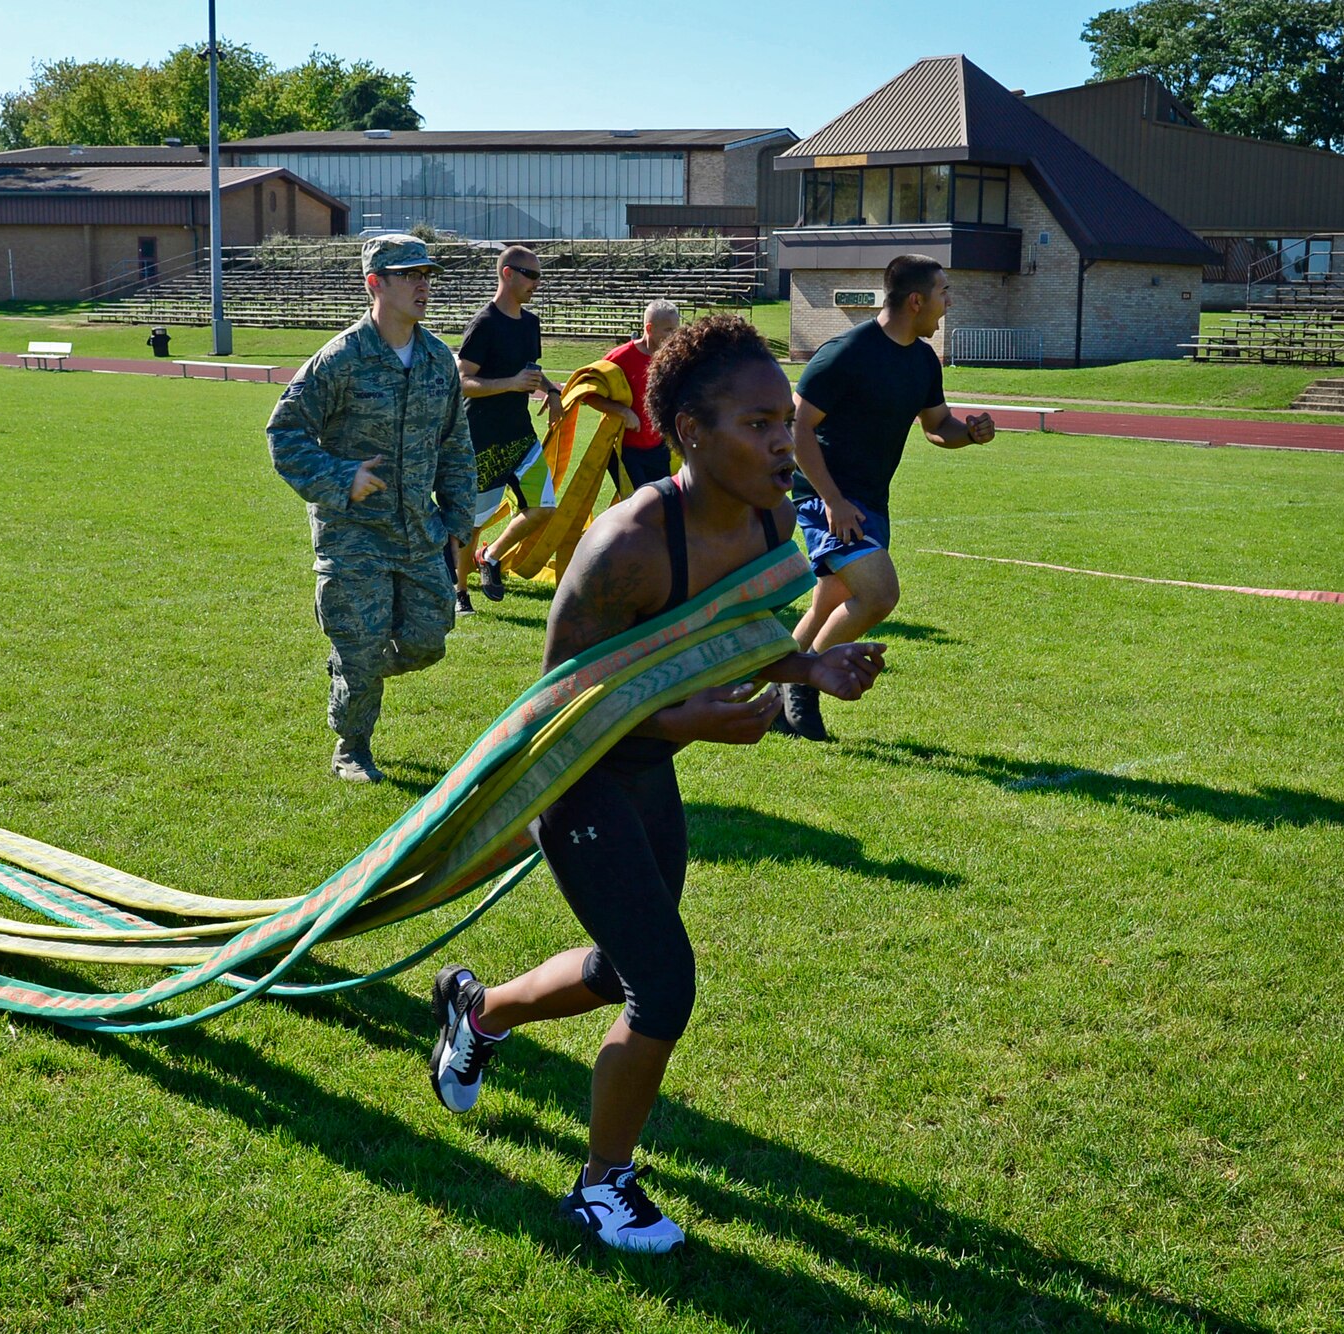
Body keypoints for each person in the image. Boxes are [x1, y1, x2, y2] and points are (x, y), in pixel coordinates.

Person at [426, 315, 887, 1252]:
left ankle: (475, 1013)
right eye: (759, 425)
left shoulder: (765, 515)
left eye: (785, 421)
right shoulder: (623, 547)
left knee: (617, 969)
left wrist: (809, 671)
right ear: (689, 435)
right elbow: (558, 714)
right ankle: (603, 1189)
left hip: (645, 772)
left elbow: (746, 633)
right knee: (663, 985)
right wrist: (691, 722)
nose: (783, 444)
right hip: (579, 780)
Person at [267, 235, 476, 783]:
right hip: (352, 534)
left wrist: (457, 522)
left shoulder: (437, 361)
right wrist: (341, 478)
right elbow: (285, 435)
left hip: (418, 530)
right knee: (361, 645)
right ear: (375, 283)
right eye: (409, 275)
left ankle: (353, 667)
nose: (422, 285)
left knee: (431, 640)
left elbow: (456, 445)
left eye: (426, 274)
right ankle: (352, 744)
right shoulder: (339, 360)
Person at [774, 254, 994, 742]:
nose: (948, 302)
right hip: (825, 499)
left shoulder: (921, 360)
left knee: (829, 603)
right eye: (943, 293)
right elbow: (798, 429)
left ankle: (775, 700)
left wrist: (971, 434)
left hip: (871, 501)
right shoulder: (845, 353)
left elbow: (938, 426)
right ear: (916, 301)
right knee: (879, 594)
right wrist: (832, 501)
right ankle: (803, 690)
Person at [455, 245, 564, 612]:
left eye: (539, 276)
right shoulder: (483, 324)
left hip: (521, 437)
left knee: (544, 507)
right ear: (508, 274)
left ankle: (491, 557)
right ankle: (460, 593)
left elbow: (529, 371)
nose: (537, 283)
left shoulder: (531, 323)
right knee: (472, 523)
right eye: (531, 275)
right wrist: (511, 383)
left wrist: (549, 390)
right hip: (483, 439)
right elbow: (463, 380)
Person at [593, 299, 682, 487]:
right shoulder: (619, 357)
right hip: (624, 451)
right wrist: (623, 412)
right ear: (649, 328)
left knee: (663, 504)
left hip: (658, 448)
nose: (674, 336)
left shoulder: (673, 358)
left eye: (676, 329)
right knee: (641, 506)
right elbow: (589, 393)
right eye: (668, 330)